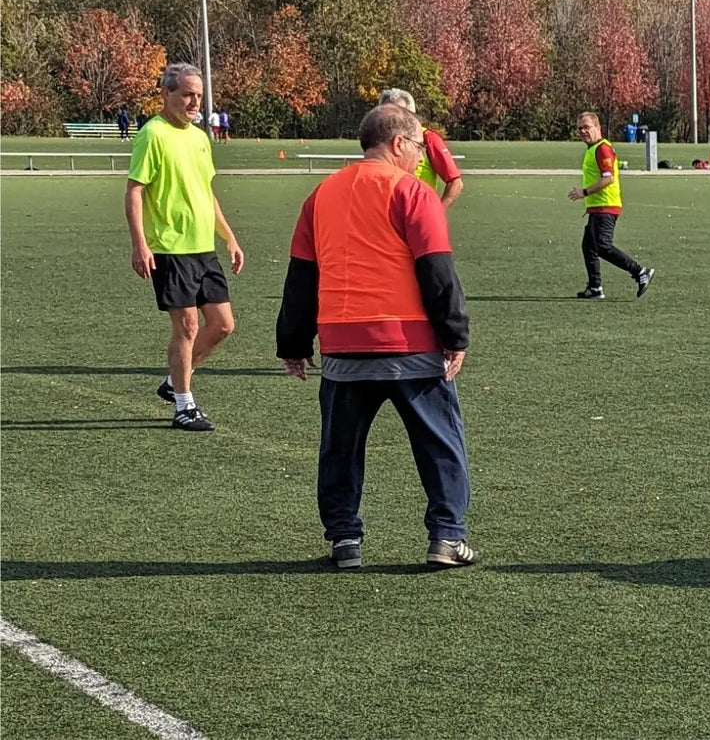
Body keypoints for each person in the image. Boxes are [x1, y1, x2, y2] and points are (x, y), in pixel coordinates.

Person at [275, 103, 478, 570]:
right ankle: (446, 537)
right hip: (409, 344)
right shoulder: (412, 192)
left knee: (340, 448)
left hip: (343, 346)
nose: (421, 159)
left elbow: (302, 276)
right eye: (419, 149)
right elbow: (437, 271)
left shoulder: (321, 194)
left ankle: (345, 540)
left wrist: (293, 342)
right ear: (399, 144)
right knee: (440, 443)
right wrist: (456, 335)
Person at [125, 63, 244, 432]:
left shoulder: (199, 138)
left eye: (199, 96)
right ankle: (184, 406)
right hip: (170, 248)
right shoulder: (153, 135)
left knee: (223, 325)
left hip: (202, 247)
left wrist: (229, 236)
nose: (194, 102)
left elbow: (204, 192)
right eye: (188, 94)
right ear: (167, 93)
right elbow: (135, 189)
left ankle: (176, 380)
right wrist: (140, 243)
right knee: (188, 325)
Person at [568, 111, 654, 300]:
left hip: (605, 206)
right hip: (597, 207)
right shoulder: (593, 149)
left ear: (598, 128)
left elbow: (608, 179)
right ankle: (595, 287)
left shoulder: (602, 149)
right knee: (588, 246)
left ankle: (640, 272)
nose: (582, 131)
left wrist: (584, 192)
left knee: (603, 246)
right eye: (579, 128)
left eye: (587, 127)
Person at [377, 88, 463, 208]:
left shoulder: (428, 138)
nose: (392, 119)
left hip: (418, 216)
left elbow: (455, 183)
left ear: (411, 114)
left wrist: (436, 214)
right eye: (386, 113)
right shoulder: (377, 142)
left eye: (398, 113)